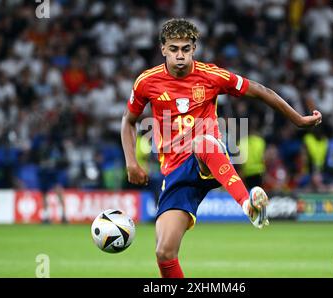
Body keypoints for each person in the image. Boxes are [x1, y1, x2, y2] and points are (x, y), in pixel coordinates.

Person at [120, 19, 322, 278]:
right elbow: (128, 121)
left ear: (194, 48)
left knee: (201, 142)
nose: (179, 55)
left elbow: (259, 90)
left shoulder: (212, 75)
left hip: (208, 158)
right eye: (173, 49)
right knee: (164, 252)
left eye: (185, 49)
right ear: (163, 49)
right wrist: (131, 161)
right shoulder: (147, 82)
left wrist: (297, 119)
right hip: (176, 173)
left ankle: (248, 205)